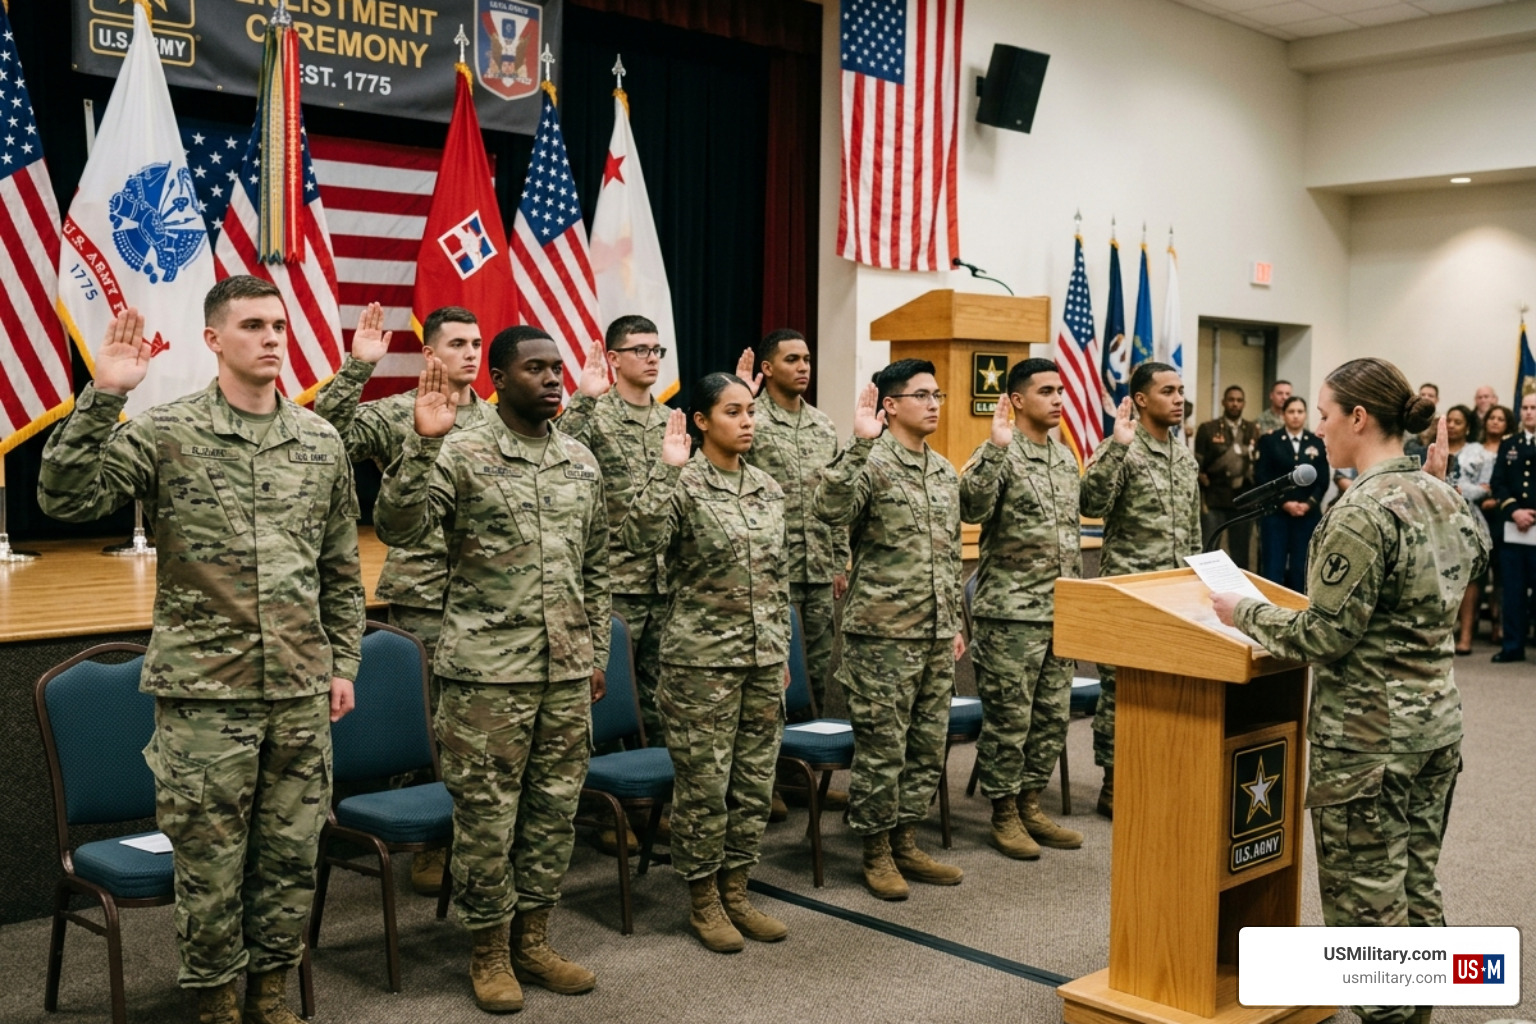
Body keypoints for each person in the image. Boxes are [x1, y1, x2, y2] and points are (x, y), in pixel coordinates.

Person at [38, 276, 365, 1024]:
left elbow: (340, 569)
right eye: (253, 325)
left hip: (298, 695)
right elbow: (64, 499)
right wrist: (103, 396)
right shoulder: (167, 432)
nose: (273, 338)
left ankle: (272, 996)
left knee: (289, 862)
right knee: (211, 868)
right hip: (204, 701)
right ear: (214, 340)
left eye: (279, 324)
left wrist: (343, 662)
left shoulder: (320, 442)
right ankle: (216, 1004)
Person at [1213, 357, 1488, 1024]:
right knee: (1417, 888)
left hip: (1368, 743)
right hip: (1436, 729)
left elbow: (1322, 637)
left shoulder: (1363, 510)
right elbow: (1473, 561)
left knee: (1366, 907)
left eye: (1328, 415)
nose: (1324, 429)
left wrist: (1239, 610)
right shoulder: (1443, 496)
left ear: (1358, 418)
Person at [374, 327, 609, 1012]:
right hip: (485, 676)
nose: (552, 378)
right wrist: (420, 445)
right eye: (534, 368)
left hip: (563, 673)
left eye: (556, 367)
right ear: (500, 380)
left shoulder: (580, 461)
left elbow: (594, 568)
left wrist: (594, 652)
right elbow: (399, 527)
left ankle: (534, 940)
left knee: (553, 814)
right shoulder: (462, 452)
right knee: (485, 821)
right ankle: (489, 951)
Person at [313, 303, 487, 895]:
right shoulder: (398, 413)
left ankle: (472, 831)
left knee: (477, 721)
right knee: (430, 716)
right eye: (458, 343)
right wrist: (357, 369)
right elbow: (327, 431)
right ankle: (428, 842)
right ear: (431, 354)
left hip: (490, 594)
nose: (470, 353)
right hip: (427, 589)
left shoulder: (498, 420)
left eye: (478, 343)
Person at [622, 374, 790, 953]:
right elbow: (637, 542)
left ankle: (738, 889)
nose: (747, 421)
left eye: (751, 411)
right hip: (701, 665)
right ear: (700, 421)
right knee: (704, 788)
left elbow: (777, 577)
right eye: (732, 411)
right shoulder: (683, 485)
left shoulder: (767, 488)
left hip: (763, 660)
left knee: (752, 784)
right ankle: (703, 901)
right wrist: (665, 472)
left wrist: (781, 652)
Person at [814, 360, 966, 901]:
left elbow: (948, 559)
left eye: (937, 394)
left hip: (932, 634)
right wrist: (856, 445)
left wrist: (953, 623)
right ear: (891, 404)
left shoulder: (945, 472)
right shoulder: (870, 464)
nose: (933, 403)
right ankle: (875, 850)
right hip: (881, 637)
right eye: (921, 395)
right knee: (883, 751)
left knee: (927, 747)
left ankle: (906, 839)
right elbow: (827, 509)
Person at [959, 358, 1083, 860]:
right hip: (1010, 614)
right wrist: (994, 449)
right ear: (1016, 400)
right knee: (1010, 721)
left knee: (1051, 719)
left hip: (1060, 612)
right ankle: (1004, 813)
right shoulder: (997, 454)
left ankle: (1031, 802)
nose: (1058, 399)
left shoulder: (1063, 458)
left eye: (1060, 391)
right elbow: (970, 509)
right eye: (1046, 391)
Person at [1080, 361, 1201, 818]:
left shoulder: (1185, 458)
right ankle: (1114, 782)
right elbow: (1089, 504)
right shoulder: (1121, 451)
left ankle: (1157, 773)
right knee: (1122, 691)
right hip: (1130, 592)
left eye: (1181, 391)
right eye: (1168, 391)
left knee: (1169, 691)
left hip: (1175, 594)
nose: (1178, 399)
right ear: (1142, 399)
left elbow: (1192, 533)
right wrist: (1116, 447)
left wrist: (1198, 588)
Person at [560, 316, 670, 747]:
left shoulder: (670, 421)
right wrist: (583, 401)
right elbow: (554, 448)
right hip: (614, 580)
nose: (651, 358)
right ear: (613, 358)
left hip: (664, 581)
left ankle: (661, 794)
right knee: (607, 697)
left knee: (661, 694)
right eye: (640, 350)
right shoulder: (596, 413)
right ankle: (608, 801)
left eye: (656, 350)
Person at [736, 330, 848, 719]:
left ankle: (806, 763)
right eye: (792, 360)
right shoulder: (749, 420)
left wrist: (838, 561)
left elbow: (834, 497)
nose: (803, 367)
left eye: (807, 359)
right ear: (766, 368)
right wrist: (739, 402)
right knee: (769, 672)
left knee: (816, 671)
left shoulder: (823, 425)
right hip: (767, 569)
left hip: (816, 568)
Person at [1254, 396, 1328, 591]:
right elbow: (1262, 477)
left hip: (1307, 514)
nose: (1295, 416)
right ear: (1283, 415)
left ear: (1305, 415)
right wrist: (1285, 503)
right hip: (1277, 514)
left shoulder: (1316, 442)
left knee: (1301, 569)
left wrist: (1309, 504)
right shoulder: (1270, 441)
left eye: (1300, 412)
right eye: (1291, 412)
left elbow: (1323, 480)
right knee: (1273, 568)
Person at [1443, 405, 1493, 654]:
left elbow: (1485, 487)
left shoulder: (1480, 452)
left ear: (1468, 426)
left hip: (1468, 517)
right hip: (1439, 517)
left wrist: (1463, 490)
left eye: (1458, 422)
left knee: (1470, 579)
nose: (1452, 425)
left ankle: (1465, 636)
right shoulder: (1435, 447)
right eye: (1449, 420)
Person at [1490, 391, 1536, 662]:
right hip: (1513, 528)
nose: (1529, 412)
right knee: (1513, 590)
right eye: (1525, 408)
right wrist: (1515, 510)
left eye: (1534, 408)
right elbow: (1498, 482)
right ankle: (1512, 646)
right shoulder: (1509, 444)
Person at [1194, 385, 1261, 570]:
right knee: (1209, 550)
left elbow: (1257, 462)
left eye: (1239, 400)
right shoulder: (1208, 429)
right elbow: (1197, 465)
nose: (1235, 404)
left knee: (1241, 553)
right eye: (1231, 400)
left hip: (1243, 499)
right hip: (1215, 498)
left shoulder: (1253, 429)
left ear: (1244, 404)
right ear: (1224, 402)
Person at [1477, 404, 1515, 646]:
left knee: (1501, 576)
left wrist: (1497, 499)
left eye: (1501, 418)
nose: (1495, 422)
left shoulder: (1513, 447)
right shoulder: (1475, 449)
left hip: (1502, 516)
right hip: (1477, 514)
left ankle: (1498, 624)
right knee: (1479, 572)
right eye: (1492, 417)